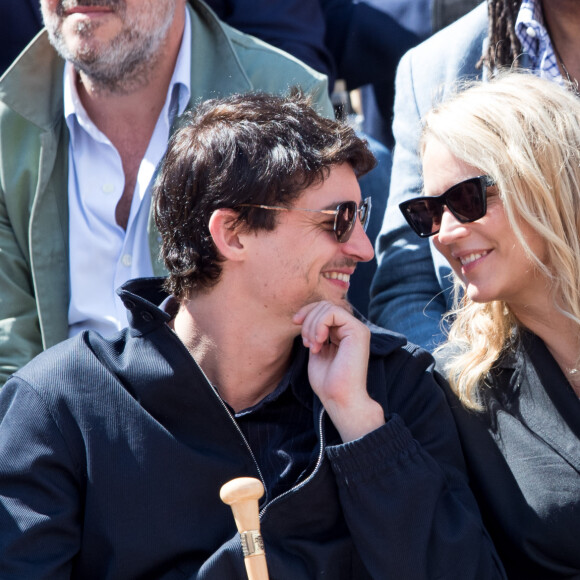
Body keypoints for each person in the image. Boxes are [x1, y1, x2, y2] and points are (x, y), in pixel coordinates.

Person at [0, 91, 505, 579]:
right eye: (339, 220)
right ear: (233, 233)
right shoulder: (57, 407)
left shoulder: (392, 387)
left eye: (361, 218)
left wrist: (364, 431)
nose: (364, 249)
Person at [0, 0, 332, 387]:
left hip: (233, 435)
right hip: (57, 437)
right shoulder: (8, 124)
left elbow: (303, 334)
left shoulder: (288, 100)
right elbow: (9, 363)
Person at [403, 73, 580, 578]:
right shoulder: (462, 392)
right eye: (429, 212)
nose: (446, 233)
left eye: (468, 198)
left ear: (548, 180)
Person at [369, 0, 580, 351]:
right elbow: (407, 289)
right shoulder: (433, 69)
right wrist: (474, 393)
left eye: (468, 198)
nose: (447, 231)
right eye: (436, 211)